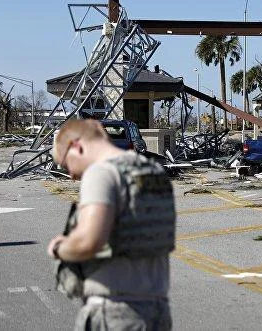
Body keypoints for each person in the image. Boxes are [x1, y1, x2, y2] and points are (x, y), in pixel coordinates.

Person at [47, 119, 175, 330]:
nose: (70, 175)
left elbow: (89, 242)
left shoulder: (102, 173)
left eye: (65, 164)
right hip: (157, 310)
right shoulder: (154, 171)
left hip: (114, 313)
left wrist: (59, 248)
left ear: (76, 146)